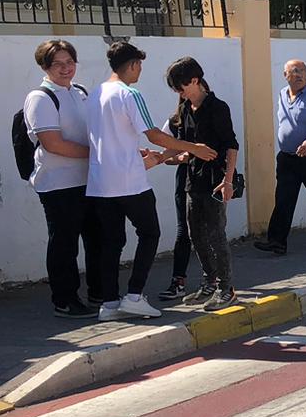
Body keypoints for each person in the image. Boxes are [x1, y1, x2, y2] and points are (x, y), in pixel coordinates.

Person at [87, 40, 217, 322]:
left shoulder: (96, 93)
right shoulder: (130, 94)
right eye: (140, 65)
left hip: (99, 181)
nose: (140, 71)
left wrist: (143, 155)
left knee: (111, 242)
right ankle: (134, 296)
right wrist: (193, 147)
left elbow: (110, 137)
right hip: (130, 181)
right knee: (149, 233)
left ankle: (109, 303)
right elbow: (155, 135)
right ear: (133, 65)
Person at [21, 39, 103, 318]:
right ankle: (65, 300)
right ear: (45, 66)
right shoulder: (41, 98)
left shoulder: (80, 91)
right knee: (65, 244)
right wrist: (96, 154)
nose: (66, 68)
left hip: (88, 180)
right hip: (58, 184)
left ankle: (98, 293)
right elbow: (53, 144)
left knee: (97, 238)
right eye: (58, 64)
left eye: (70, 62)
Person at [164, 58, 240, 310]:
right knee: (195, 234)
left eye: (181, 87)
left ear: (195, 80)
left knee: (216, 234)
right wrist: (161, 157)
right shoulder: (186, 109)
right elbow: (183, 147)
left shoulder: (217, 108)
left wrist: (228, 180)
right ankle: (209, 282)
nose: (179, 92)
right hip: (193, 180)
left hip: (215, 181)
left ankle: (226, 288)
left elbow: (231, 145)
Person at [256, 58, 306, 254]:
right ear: (286, 75)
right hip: (288, 158)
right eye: (295, 71)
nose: (300, 74)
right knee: (284, 199)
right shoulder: (283, 94)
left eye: (302, 70)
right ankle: (277, 241)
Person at [154, 109, 192, 303]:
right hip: (185, 180)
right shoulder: (175, 121)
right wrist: (180, 158)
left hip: (208, 179)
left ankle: (216, 281)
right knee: (183, 230)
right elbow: (166, 157)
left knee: (209, 231)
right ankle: (178, 281)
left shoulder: (213, 113)